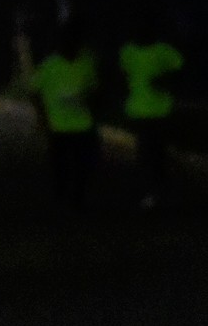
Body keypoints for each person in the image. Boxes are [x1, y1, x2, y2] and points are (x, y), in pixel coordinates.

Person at [117, 23, 185, 210]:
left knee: (158, 152)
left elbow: (181, 73)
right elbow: (121, 76)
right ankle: (151, 192)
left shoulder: (164, 51)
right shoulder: (128, 52)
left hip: (162, 110)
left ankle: (158, 191)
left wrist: (166, 80)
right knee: (146, 152)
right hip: (138, 110)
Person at [33, 26, 101, 212]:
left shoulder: (86, 64)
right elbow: (36, 92)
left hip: (83, 123)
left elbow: (94, 89)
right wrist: (42, 117)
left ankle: (77, 197)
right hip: (58, 125)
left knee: (83, 163)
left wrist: (88, 101)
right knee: (60, 164)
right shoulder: (49, 66)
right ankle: (61, 194)